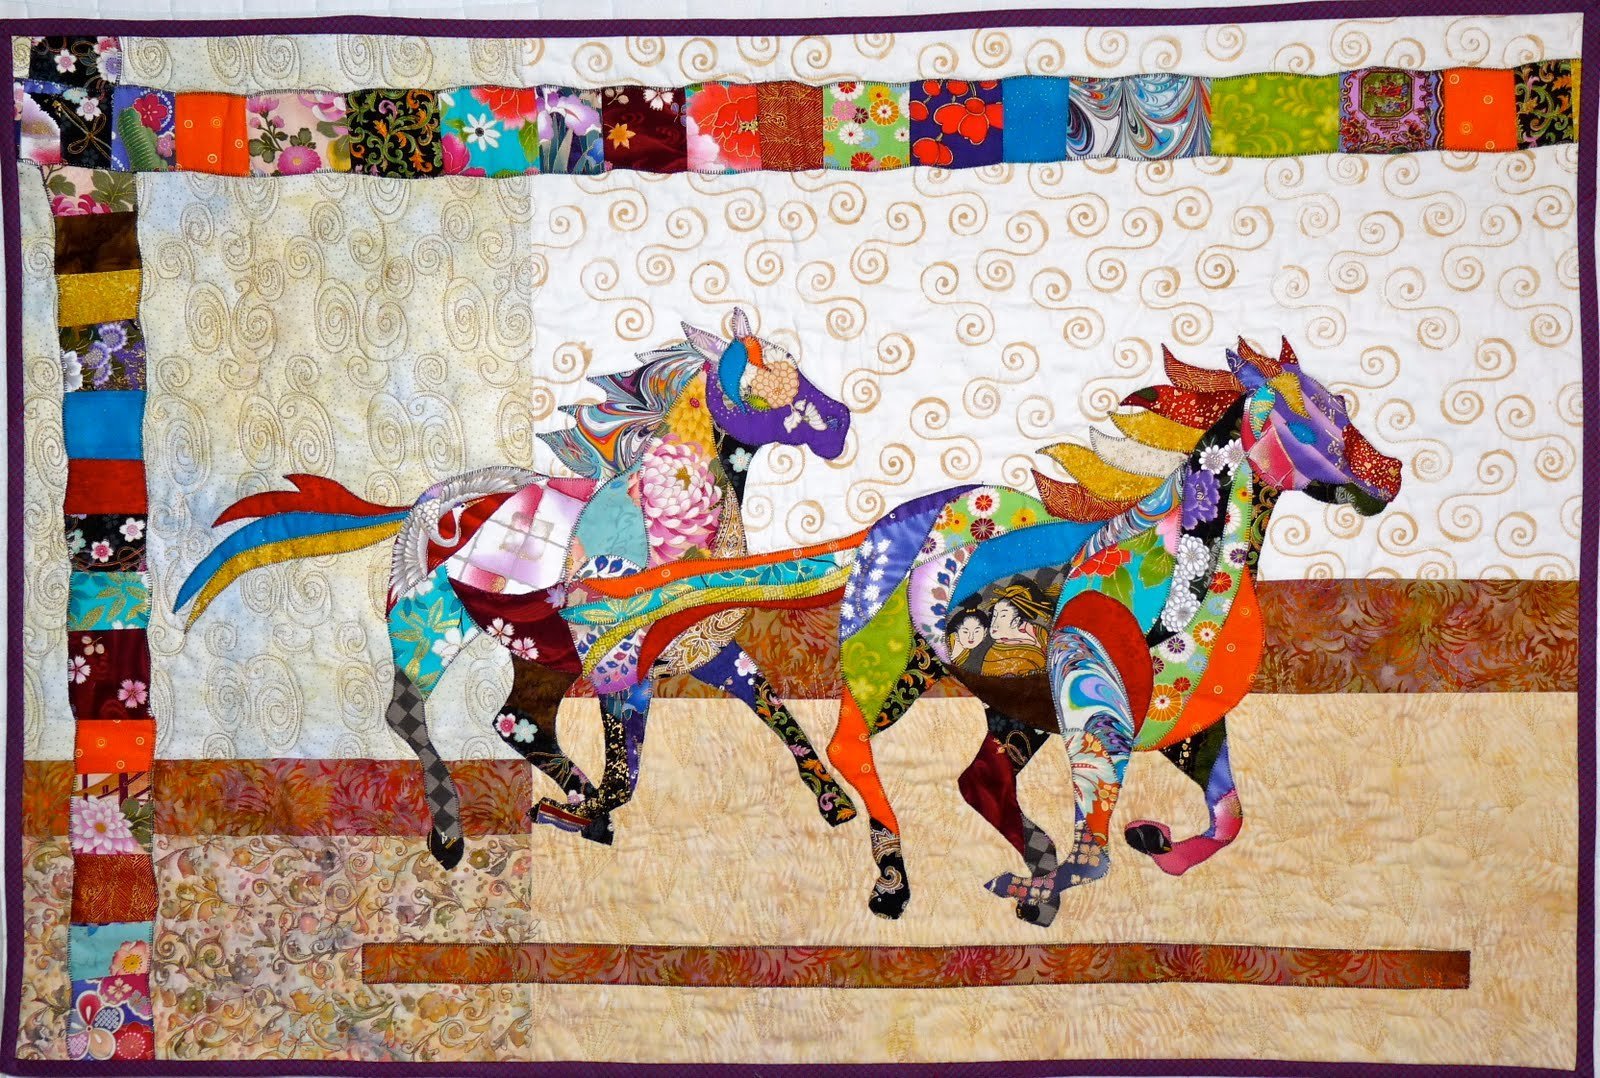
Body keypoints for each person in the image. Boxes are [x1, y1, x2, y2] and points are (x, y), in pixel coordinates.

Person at [980, 580, 1050, 677]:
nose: (994, 623)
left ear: (1016, 621)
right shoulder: (994, 655)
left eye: (1003, 616)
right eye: (995, 615)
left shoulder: (1040, 633)